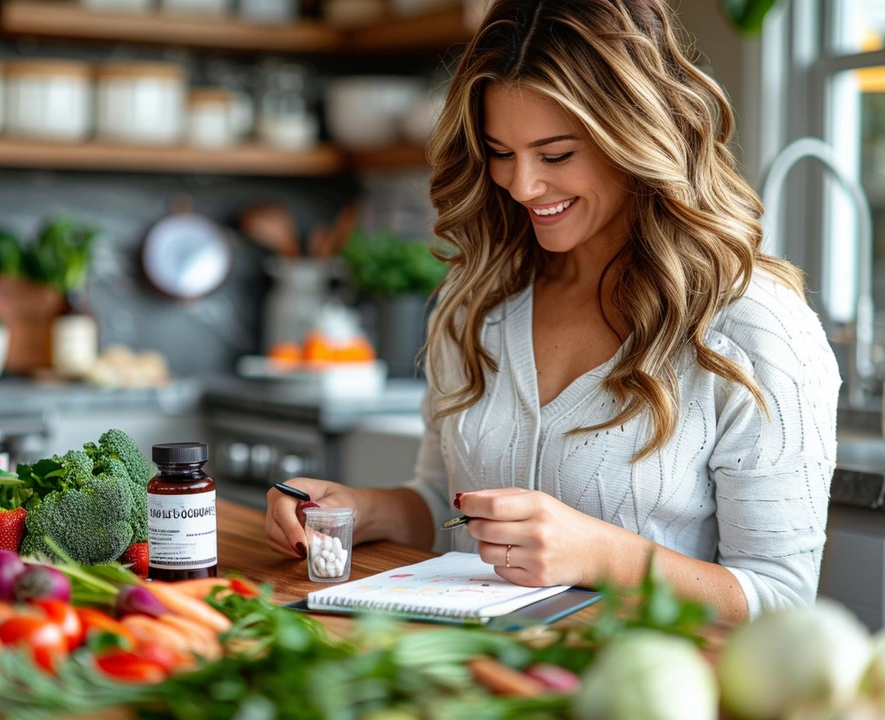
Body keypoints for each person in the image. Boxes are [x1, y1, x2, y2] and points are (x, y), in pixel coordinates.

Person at [265, 0, 840, 622]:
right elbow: (444, 504)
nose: (521, 186)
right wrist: (359, 509)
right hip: (477, 683)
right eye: (500, 152)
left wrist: (603, 555)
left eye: (556, 154)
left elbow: (782, 600)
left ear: (637, 136)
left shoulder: (754, 329)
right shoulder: (477, 303)